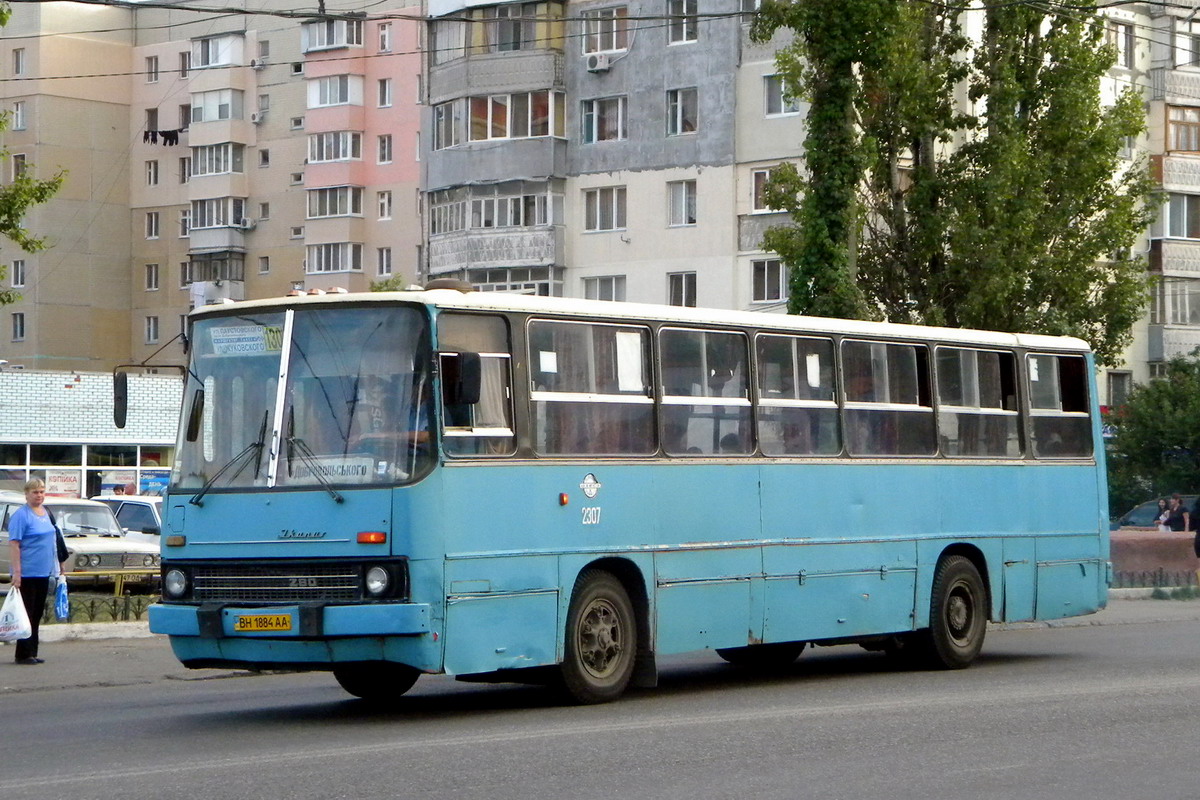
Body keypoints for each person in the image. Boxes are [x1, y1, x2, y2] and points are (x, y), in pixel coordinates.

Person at [6, 477, 67, 665]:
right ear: (26, 494)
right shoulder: (21, 515)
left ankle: (32, 650)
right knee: (27, 613)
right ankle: (22, 654)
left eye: (41, 492)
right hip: (27, 572)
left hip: (44, 572)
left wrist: (59, 566)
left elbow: (54, 541)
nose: (39, 495)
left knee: (37, 612)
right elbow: (14, 544)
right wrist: (17, 573)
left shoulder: (45, 512)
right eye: (35, 492)